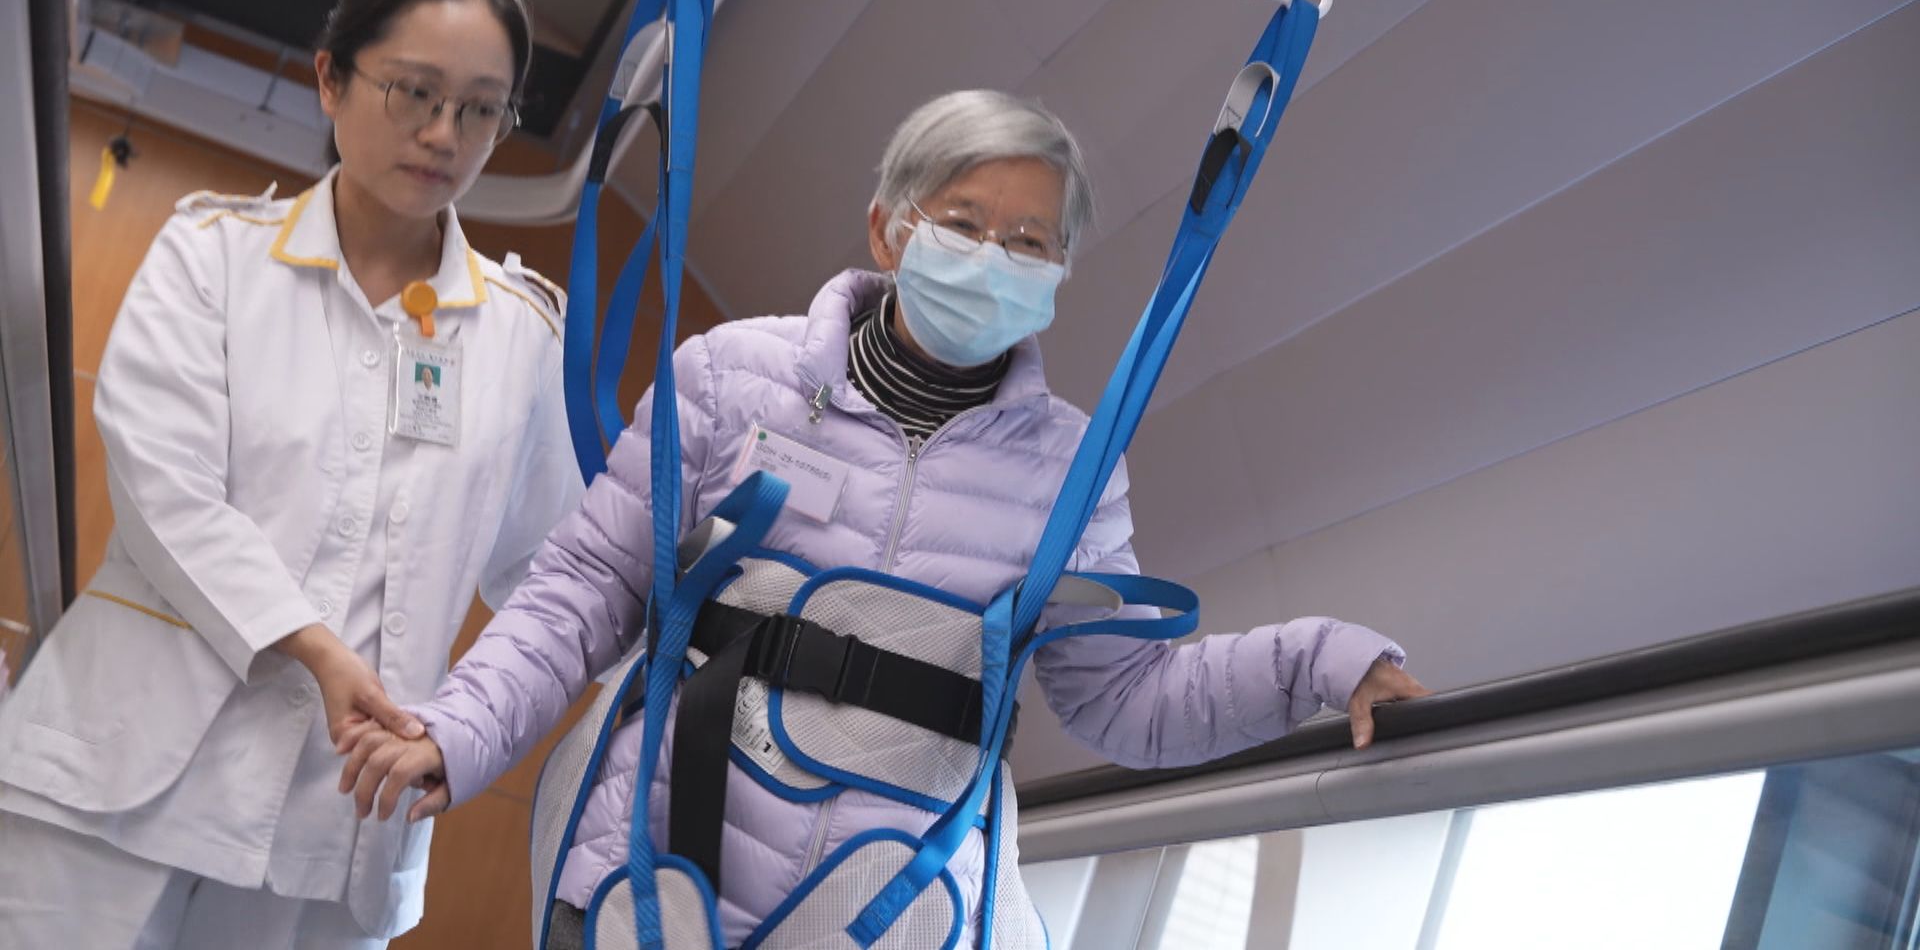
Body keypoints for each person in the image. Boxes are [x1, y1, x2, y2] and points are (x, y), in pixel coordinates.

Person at [341, 90, 1430, 947]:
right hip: (663, 855)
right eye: (963, 225)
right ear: (888, 229)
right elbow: (587, 586)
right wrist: (460, 730)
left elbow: (1124, 700)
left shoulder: (1074, 468)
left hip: (879, 905)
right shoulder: (730, 376)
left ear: (1059, 272)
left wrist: (1321, 662)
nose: (994, 258)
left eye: (1030, 242)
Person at [0, 0, 583, 949]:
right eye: (415, 91)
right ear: (330, 78)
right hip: (116, 780)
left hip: (336, 825)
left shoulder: (523, 339)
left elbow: (554, 578)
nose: (444, 134)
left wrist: (473, 730)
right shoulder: (214, 256)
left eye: (482, 109)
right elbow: (166, 488)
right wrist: (316, 648)